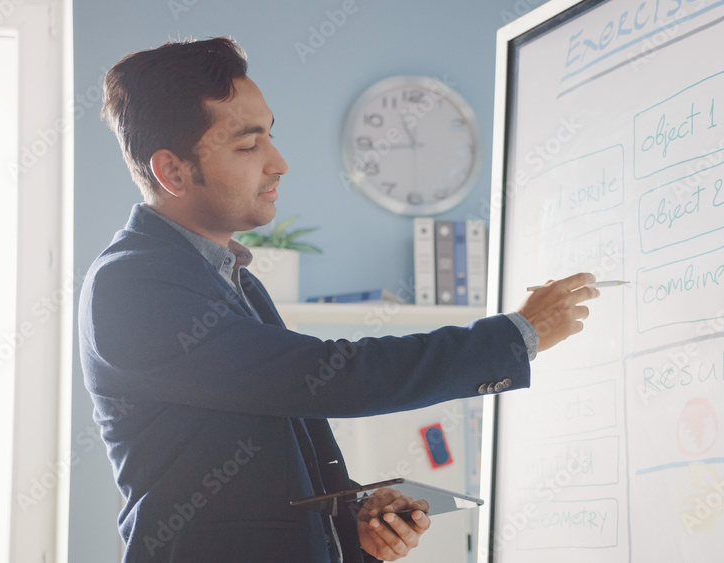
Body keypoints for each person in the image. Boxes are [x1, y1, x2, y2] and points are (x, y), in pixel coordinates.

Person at [79, 36, 599, 563]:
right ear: (172, 171)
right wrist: (515, 336)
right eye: (247, 145)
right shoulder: (132, 285)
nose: (278, 163)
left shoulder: (235, 280)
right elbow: (327, 377)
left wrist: (353, 522)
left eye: (271, 137)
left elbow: (269, 447)